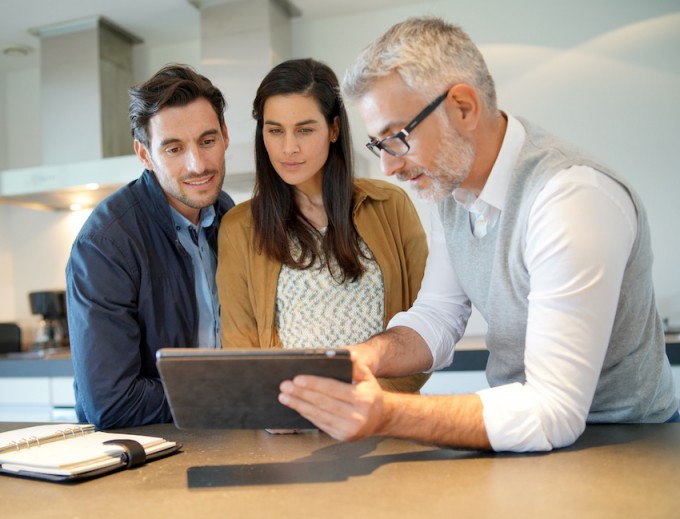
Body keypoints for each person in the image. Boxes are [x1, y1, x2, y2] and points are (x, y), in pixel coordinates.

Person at [278, 17, 679, 452]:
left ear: (463, 108)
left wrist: (386, 414)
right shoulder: (452, 189)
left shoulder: (569, 197)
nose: (388, 168)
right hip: (524, 434)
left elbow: (553, 410)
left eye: (395, 138)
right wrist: (362, 357)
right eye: (379, 145)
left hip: (624, 445)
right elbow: (437, 315)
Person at [216, 58, 429, 393]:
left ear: (333, 129)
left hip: (384, 419)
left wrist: (368, 404)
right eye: (275, 131)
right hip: (290, 429)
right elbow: (240, 353)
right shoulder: (239, 228)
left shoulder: (390, 206)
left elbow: (425, 328)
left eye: (305, 129)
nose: (289, 148)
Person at [66, 64, 235, 429]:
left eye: (207, 141)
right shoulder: (106, 243)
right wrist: (228, 395)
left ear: (225, 136)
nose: (198, 164)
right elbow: (110, 403)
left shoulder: (229, 216)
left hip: (233, 435)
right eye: (174, 148)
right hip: (151, 454)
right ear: (144, 155)